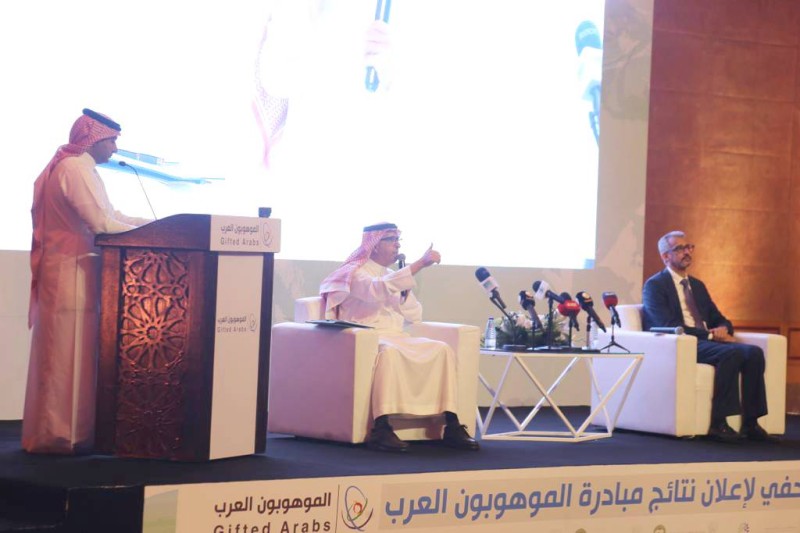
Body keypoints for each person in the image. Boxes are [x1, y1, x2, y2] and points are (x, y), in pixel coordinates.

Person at [23, 109, 152, 454]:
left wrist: (154, 225)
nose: (115, 148)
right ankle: (60, 436)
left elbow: (111, 216)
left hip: (78, 273)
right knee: (65, 356)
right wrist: (152, 232)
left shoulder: (83, 168)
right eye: (112, 141)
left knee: (74, 355)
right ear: (93, 139)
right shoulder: (74, 168)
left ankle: (72, 434)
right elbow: (101, 225)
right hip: (69, 274)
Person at [319, 222, 479, 452]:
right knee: (390, 353)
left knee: (441, 349)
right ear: (374, 244)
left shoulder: (393, 276)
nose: (397, 245)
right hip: (367, 337)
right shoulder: (353, 273)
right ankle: (381, 428)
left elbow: (414, 315)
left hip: (396, 335)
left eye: (398, 240)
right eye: (391, 240)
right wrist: (419, 265)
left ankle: (451, 424)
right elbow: (376, 289)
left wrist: (405, 293)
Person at [642, 230, 771, 443]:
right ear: (665, 256)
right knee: (731, 354)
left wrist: (723, 329)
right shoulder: (655, 286)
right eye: (679, 249)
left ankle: (751, 423)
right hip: (682, 343)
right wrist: (710, 336)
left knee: (754, 353)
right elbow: (667, 325)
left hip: (706, 341)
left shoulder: (697, 285)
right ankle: (718, 423)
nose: (687, 252)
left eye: (688, 247)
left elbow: (719, 318)